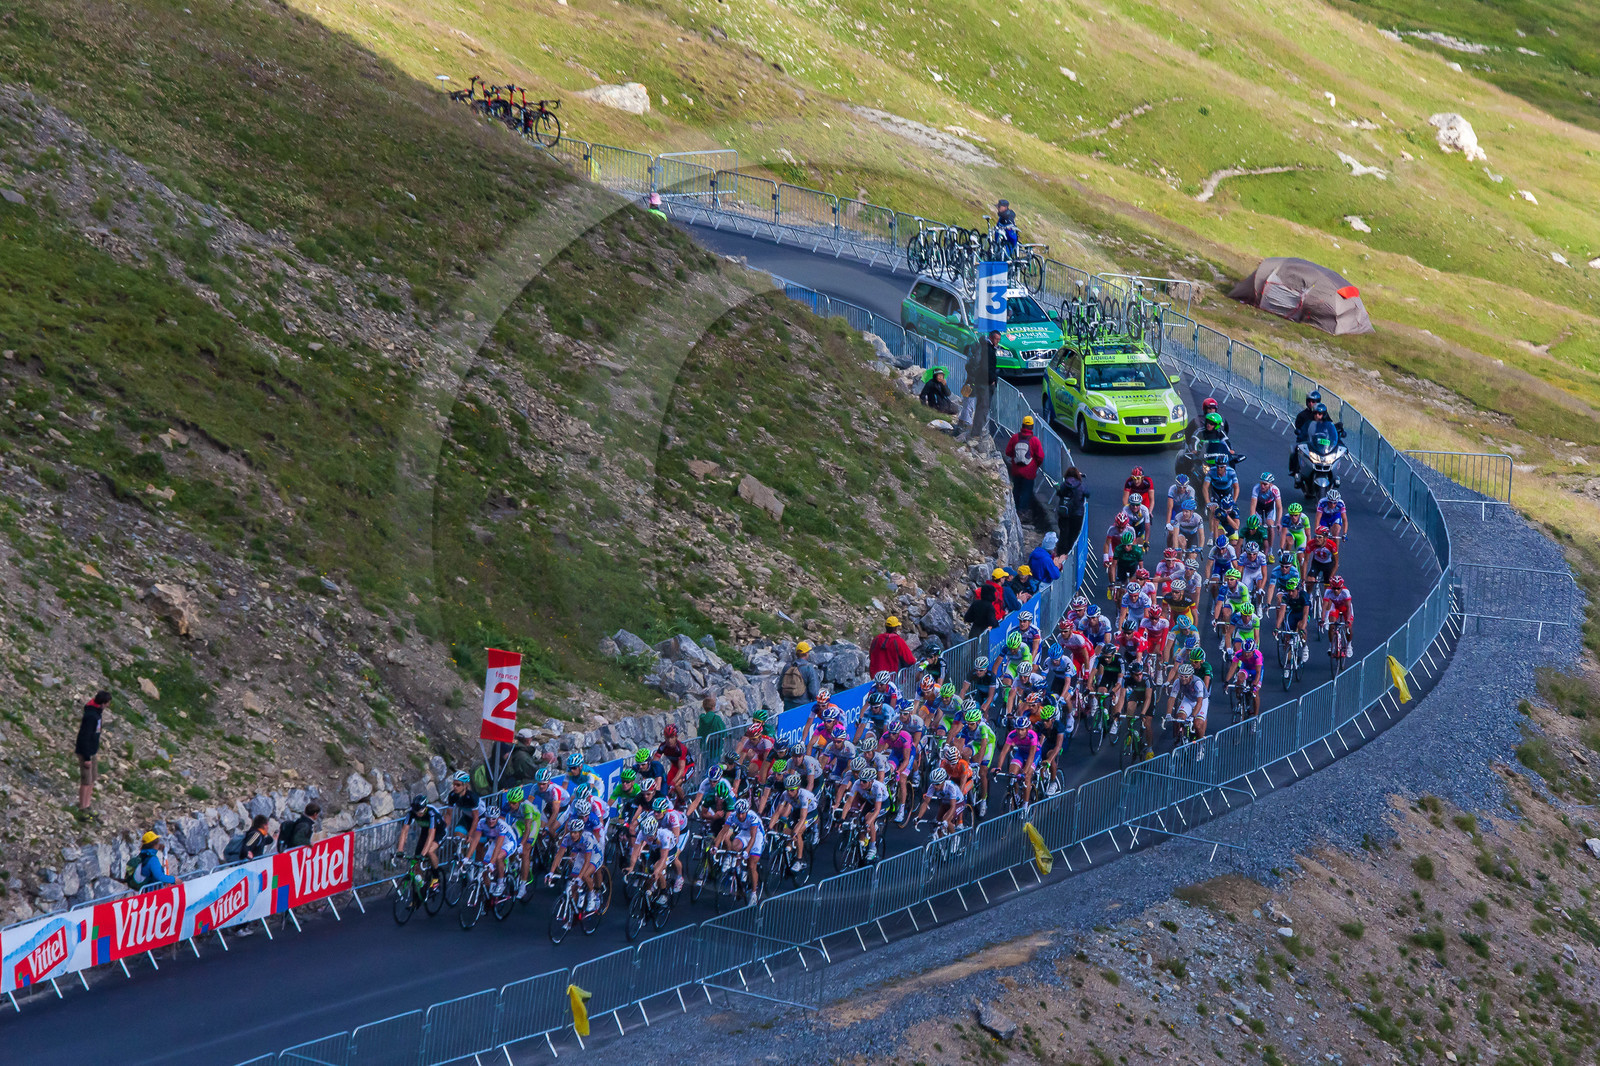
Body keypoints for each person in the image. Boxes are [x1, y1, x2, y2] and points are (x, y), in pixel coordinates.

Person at [75, 689, 111, 811]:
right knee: (86, 781)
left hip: (93, 751)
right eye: (107, 703)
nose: (108, 705)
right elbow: (84, 737)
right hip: (86, 752)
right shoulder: (91, 716)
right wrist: (86, 758)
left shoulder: (97, 712)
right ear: (103, 703)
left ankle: (88, 805)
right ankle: (82, 807)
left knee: (92, 779)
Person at [1005, 416, 1045, 523]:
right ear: (1032, 427)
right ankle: (1022, 513)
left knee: (1017, 490)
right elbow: (1040, 456)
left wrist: (1015, 458)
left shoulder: (1015, 438)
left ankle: (1014, 510)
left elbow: (1008, 452)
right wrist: (1035, 465)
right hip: (1029, 472)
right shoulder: (1034, 440)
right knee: (1026, 492)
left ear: (1022, 425)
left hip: (1016, 470)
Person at [1050, 466, 1088, 548]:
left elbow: (1060, 493)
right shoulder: (1080, 486)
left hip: (1064, 513)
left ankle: (1061, 551)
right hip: (1077, 514)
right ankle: (1069, 550)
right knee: (1073, 534)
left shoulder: (1064, 485)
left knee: (1063, 534)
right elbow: (1087, 494)